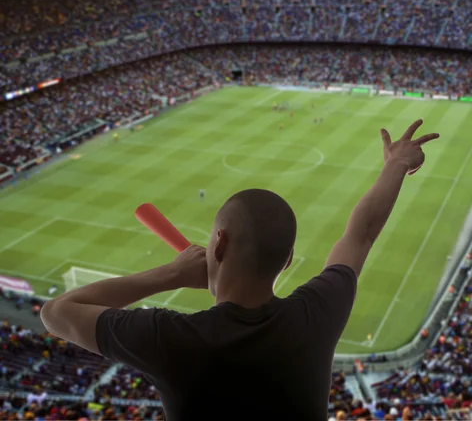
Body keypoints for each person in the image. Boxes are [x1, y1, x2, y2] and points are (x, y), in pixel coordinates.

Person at [40, 120, 439, 421]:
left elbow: (56, 313)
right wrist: (397, 164)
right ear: (287, 261)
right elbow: (362, 233)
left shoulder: (171, 339)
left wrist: (171, 274)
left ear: (218, 243)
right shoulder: (318, 314)